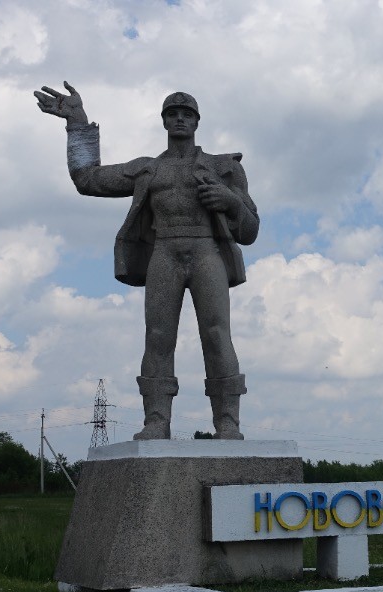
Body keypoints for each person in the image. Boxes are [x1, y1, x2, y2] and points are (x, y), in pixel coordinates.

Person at [34, 82, 259, 440]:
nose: (180, 119)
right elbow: (86, 179)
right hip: (164, 253)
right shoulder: (147, 170)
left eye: (187, 114)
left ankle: (227, 422)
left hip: (205, 252)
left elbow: (250, 230)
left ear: (197, 122)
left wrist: (230, 202)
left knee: (217, 335)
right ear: (164, 121)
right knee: (157, 337)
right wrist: (77, 124)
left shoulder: (224, 168)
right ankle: (156, 420)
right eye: (173, 114)